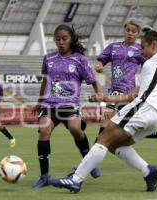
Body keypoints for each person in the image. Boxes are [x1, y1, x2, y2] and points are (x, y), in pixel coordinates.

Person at [49, 26, 157, 193]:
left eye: (143, 47)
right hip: (156, 113)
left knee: (104, 138)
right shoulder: (153, 68)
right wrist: (105, 98)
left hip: (146, 107)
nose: (141, 51)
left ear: (154, 45)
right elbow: (133, 95)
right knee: (115, 145)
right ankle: (148, 171)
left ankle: (76, 179)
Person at [31, 24, 103, 189]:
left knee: (75, 129)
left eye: (64, 39)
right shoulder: (48, 58)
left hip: (70, 104)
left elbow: (94, 81)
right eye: (58, 39)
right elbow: (45, 81)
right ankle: (44, 177)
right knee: (44, 131)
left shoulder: (80, 59)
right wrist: (39, 101)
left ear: (71, 40)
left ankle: (89, 162)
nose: (61, 42)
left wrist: (100, 99)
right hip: (49, 103)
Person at [94, 19, 157, 154]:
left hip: (128, 91)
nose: (130, 33)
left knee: (106, 124)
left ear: (137, 34)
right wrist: (100, 65)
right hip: (115, 90)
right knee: (123, 126)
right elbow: (103, 59)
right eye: (128, 30)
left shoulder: (139, 50)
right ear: (124, 30)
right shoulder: (113, 47)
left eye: (134, 31)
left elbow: (152, 62)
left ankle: (91, 158)